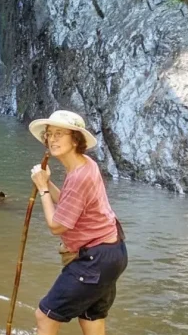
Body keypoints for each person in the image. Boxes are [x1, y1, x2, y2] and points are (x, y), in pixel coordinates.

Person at [28, 110, 128, 335]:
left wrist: (43, 188)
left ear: (75, 139)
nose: (52, 139)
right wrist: (47, 182)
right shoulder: (84, 165)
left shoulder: (80, 176)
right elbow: (69, 203)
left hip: (96, 259)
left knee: (45, 316)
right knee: (91, 319)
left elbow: (57, 226)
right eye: (49, 134)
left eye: (59, 134)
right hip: (112, 252)